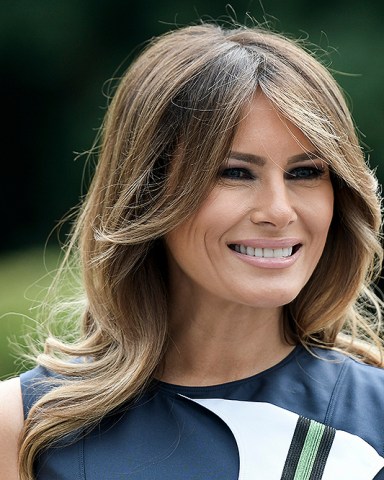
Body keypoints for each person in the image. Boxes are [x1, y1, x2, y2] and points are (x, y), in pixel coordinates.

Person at [1, 21, 384, 480]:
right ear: (148, 191)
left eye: (305, 173)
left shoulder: (374, 419)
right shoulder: (26, 427)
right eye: (235, 173)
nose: (279, 211)